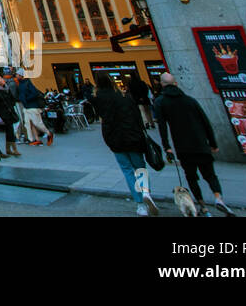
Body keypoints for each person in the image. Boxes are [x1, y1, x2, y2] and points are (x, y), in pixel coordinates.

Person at [155, 73, 233, 216]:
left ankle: (203, 206)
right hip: (200, 143)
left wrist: (167, 146)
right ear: (176, 83)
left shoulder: (161, 102)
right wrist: (213, 143)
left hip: (183, 146)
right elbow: (205, 122)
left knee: (191, 177)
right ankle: (218, 198)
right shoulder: (190, 100)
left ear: (161, 84)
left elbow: (162, 125)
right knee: (210, 175)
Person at [91, 73, 157, 216]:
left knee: (127, 170)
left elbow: (102, 118)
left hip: (115, 140)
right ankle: (146, 192)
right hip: (133, 137)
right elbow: (137, 118)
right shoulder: (125, 97)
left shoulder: (98, 99)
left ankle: (140, 204)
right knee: (140, 168)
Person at [0, 74, 20, 158]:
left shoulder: (6, 88)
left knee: (10, 130)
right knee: (10, 130)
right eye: (0, 78)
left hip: (10, 111)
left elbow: (12, 99)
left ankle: (9, 149)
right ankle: (13, 149)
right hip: (3, 113)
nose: (2, 79)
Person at [16, 70, 51, 146]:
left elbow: (34, 93)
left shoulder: (27, 83)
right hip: (26, 107)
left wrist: (26, 99)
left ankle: (49, 133)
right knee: (29, 124)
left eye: (18, 75)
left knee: (37, 123)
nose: (16, 76)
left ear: (22, 76)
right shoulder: (21, 84)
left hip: (32, 106)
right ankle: (34, 139)